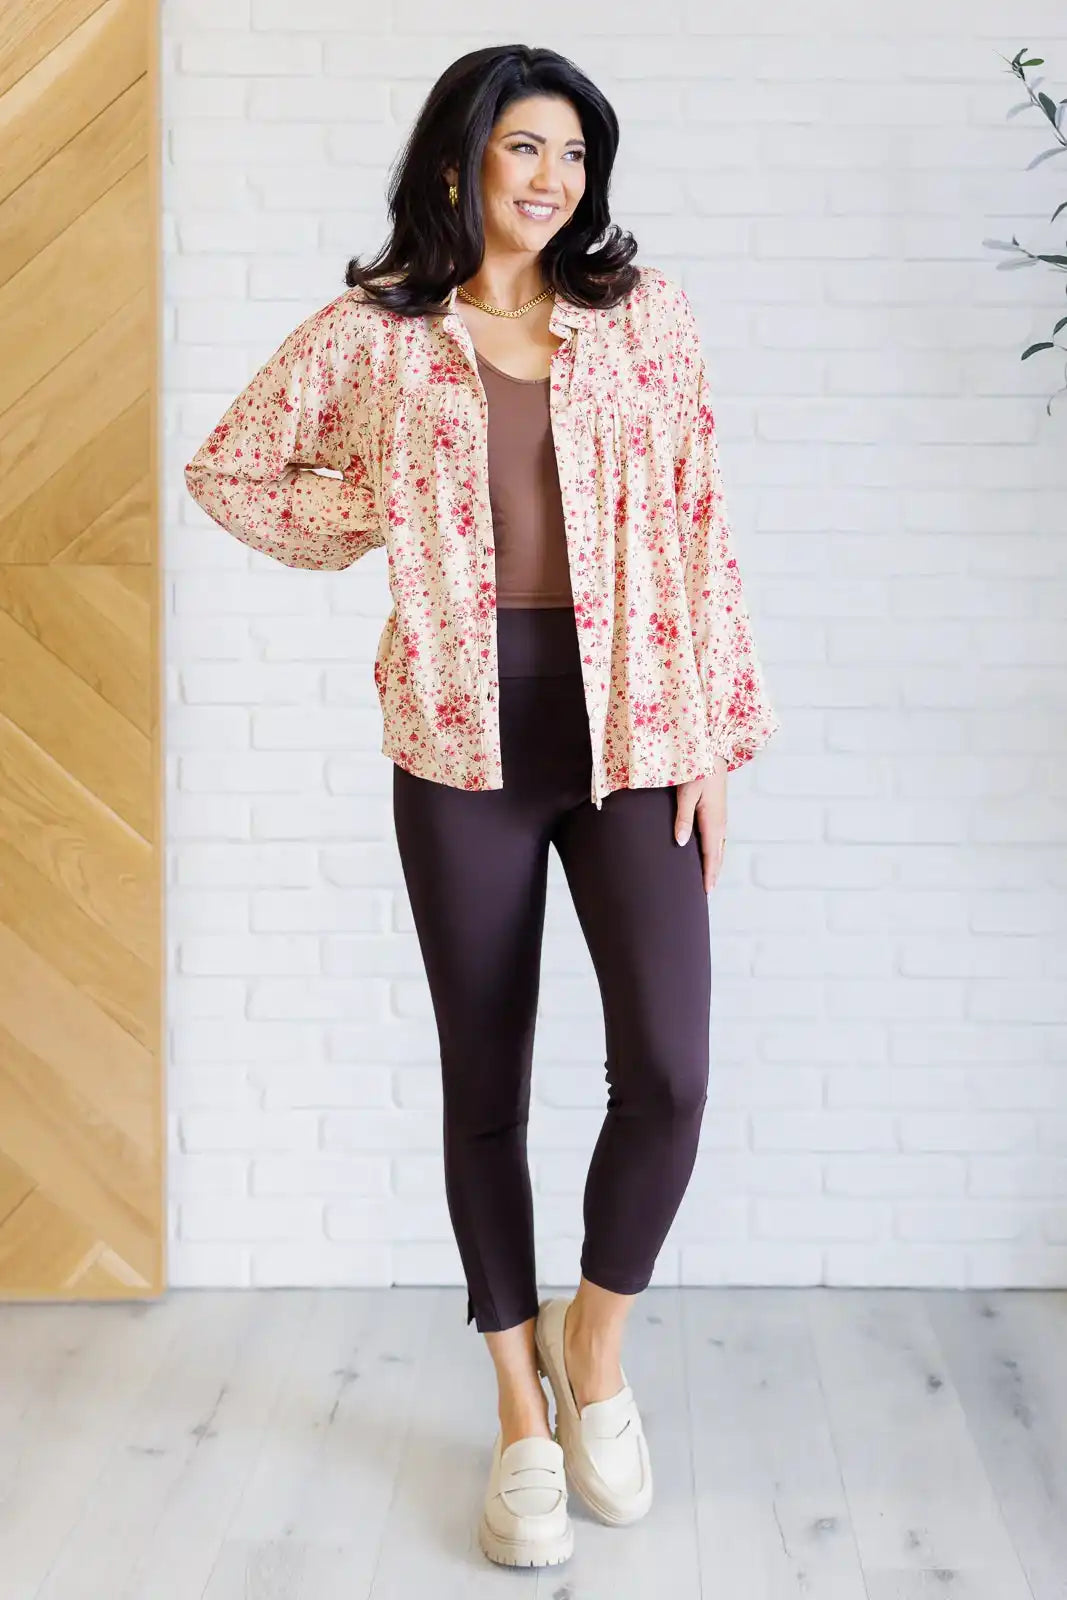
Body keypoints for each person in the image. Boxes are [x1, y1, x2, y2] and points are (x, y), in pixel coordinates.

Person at [184, 42, 779, 1572]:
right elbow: (230, 472)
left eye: (575, 156)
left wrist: (713, 736)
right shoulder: (382, 338)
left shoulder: (644, 322)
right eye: (526, 148)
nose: (552, 180)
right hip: (460, 746)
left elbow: (705, 522)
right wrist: (380, 502)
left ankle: (597, 1355)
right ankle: (520, 1414)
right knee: (485, 1087)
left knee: (671, 1067)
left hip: (635, 731)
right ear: (463, 156)